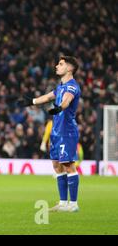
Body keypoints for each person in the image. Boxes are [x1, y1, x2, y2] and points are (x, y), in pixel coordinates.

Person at [17, 56, 81, 212]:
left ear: (70, 68)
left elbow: (67, 100)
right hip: (56, 131)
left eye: (61, 64)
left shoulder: (72, 86)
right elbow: (47, 97)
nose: (56, 66)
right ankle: (63, 202)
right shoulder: (59, 87)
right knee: (57, 165)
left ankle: (73, 204)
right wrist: (31, 101)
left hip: (67, 131)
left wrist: (60, 108)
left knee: (68, 165)